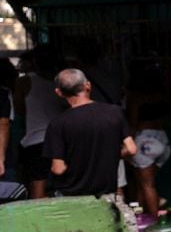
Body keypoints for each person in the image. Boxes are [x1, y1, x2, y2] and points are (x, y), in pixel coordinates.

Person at [42, 69, 135, 197]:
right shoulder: (115, 112)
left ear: (59, 93)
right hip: (106, 193)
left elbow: (58, 169)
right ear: (88, 86)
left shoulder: (58, 123)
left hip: (72, 195)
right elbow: (131, 149)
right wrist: (109, 155)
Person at [14, 45, 63, 199]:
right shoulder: (63, 80)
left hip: (35, 141)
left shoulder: (25, 81)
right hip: (61, 139)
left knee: (37, 186)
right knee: (65, 184)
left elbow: (19, 109)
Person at [126, 68, 171, 216]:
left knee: (147, 185)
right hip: (163, 140)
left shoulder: (136, 97)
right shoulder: (161, 95)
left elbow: (132, 123)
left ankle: (154, 222)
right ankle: (141, 218)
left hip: (144, 141)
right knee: (143, 183)